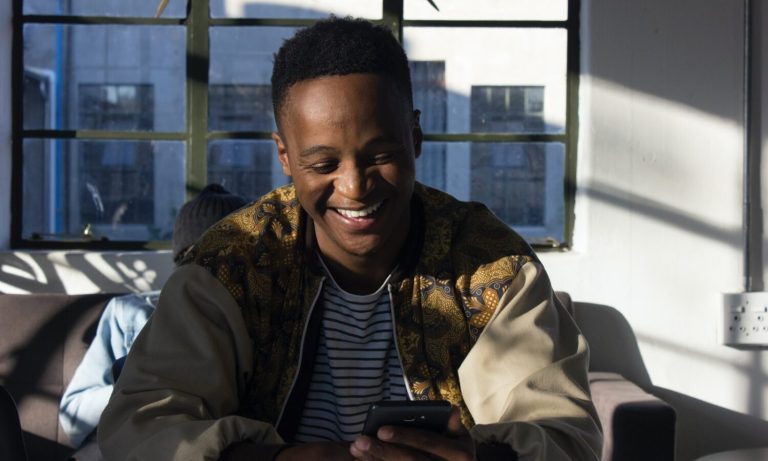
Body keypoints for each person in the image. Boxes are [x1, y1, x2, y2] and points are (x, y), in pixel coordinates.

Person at [99, 17, 602, 461]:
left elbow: (564, 437)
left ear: (415, 137)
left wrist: (474, 458)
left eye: (380, 154)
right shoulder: (231, 265)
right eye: (322, 164)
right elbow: (140, 429)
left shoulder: (492, 267)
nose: (355, 187)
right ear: (284, 156)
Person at [59, 184, 248, 457]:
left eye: (231, 260)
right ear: (182, 260)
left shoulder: (259, 323)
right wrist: (135, 383)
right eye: (203, 259)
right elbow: (72, 416)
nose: (215, 275)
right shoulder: (129, 312)